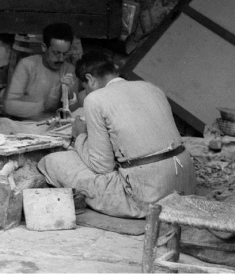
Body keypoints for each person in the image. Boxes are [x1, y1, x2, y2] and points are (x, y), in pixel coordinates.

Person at [38, 50, 197, 218]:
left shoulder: (95, 99)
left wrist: (80, 136)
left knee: (52, 161)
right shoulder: (151, 88)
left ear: (90, 79)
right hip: (184, 184)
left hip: (148, 195)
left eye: (85, 88)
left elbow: (102, 167)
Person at [0, 22, 80, 134]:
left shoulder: (69, 69)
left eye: (65, 54)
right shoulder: (27, 65)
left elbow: (72, 111)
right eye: (56, 53)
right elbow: (8, 106)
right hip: (25, 125)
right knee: (1, 125)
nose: (61, 58)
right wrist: (42, 106)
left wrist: (69, 94)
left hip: (55, 127)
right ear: (44, 47)